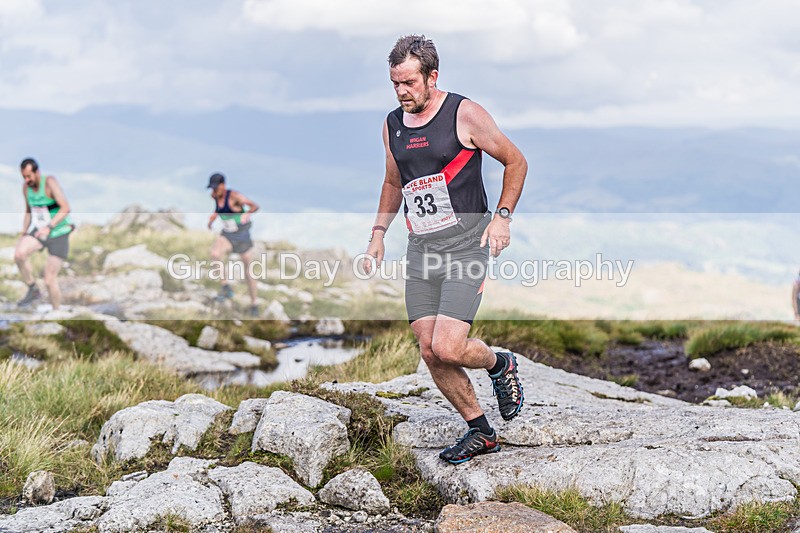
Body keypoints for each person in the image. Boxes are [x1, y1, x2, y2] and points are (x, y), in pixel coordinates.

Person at [363, 35, 528, 464]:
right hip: (422, 249)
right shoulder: (392, 124)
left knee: (450, 347)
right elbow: (392, 183)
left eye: (410, 83)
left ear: (432, 77)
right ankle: (481, 431)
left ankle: (499, 364)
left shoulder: (464, 113)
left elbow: (516, 161)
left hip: (466, 245)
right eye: (395, 83)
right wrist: (378, 234)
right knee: (428, 348)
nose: (402, 92)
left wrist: (503, 217)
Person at [14, 158, 74, 310]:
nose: (27, 180)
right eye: (24, 177)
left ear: (37, 172)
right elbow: (29, 211)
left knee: (49, 279)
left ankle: (56, 311)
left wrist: (50, 226)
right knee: (19, 254)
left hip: (59, 232)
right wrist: (24, 232)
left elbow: (66, 208)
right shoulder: (26, 188)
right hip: (40, 230)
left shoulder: (49, 182)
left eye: (29, 176)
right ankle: (33, 288)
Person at [206, 173, 260, 317]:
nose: (214, 191)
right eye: (212, 188)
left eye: (216, 187)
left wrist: (246, 214)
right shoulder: (215, 196)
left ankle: (254, 304)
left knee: (248, 271)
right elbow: (219, 209)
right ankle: (226, 287)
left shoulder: (235, 196)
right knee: (215, 254)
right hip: (228, 234)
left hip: (242, 236)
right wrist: (212, 219)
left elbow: (255, 206)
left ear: (223, 185)